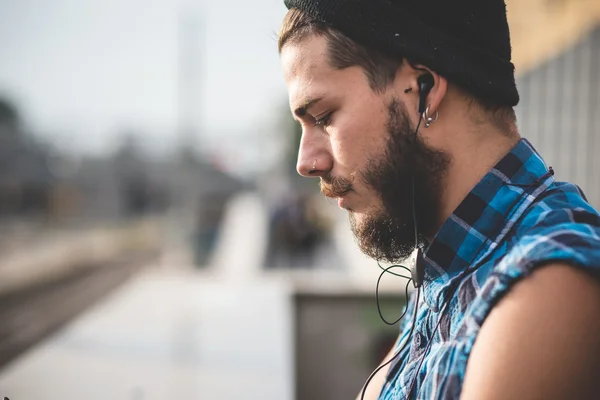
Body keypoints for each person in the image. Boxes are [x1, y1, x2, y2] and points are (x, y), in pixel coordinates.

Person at [276, 1, 600, 399]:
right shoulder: (447, 270)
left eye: (324, 117)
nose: (306, 163)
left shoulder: (547, 284)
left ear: (424, 91)